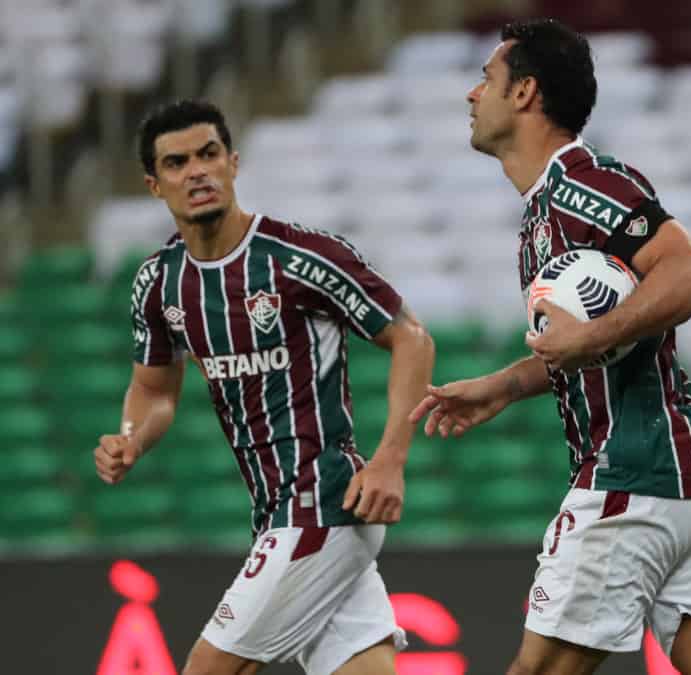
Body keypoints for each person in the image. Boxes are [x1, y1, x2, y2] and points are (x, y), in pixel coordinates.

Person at [408, 18, 691, 675]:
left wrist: (591, 335)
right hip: (685, 472)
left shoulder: (584, 184)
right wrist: (507, 384)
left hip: (632, 470)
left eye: (485, 79)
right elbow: (592, 347)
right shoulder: (544, 212)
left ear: (523, 94)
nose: (471, 94)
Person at [93, 99, 435, 675]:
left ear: (233, 162)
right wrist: (132, 437)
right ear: (155, 185)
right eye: (177, 163)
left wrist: (389, 461)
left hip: (319, 503)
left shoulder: (300, 258)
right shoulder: (159, 283)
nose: (197, 171)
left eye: (208, 154)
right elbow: (154, 390)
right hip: (279, 511)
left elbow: (412, 338)